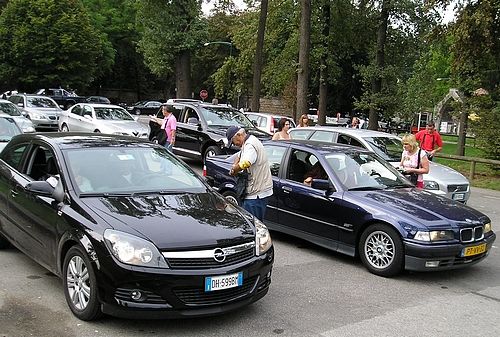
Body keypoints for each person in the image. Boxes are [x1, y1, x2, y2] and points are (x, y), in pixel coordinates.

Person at [226, 126, 273, 220]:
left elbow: (246, 163)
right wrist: (234, 165)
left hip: (256, 194)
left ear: (238, 135)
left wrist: (235, 170)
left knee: (253, 224)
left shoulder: (250, 146)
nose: (234, 145)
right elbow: (239, 156)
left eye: (233, 142)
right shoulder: (248, 141)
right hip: (258, 192)